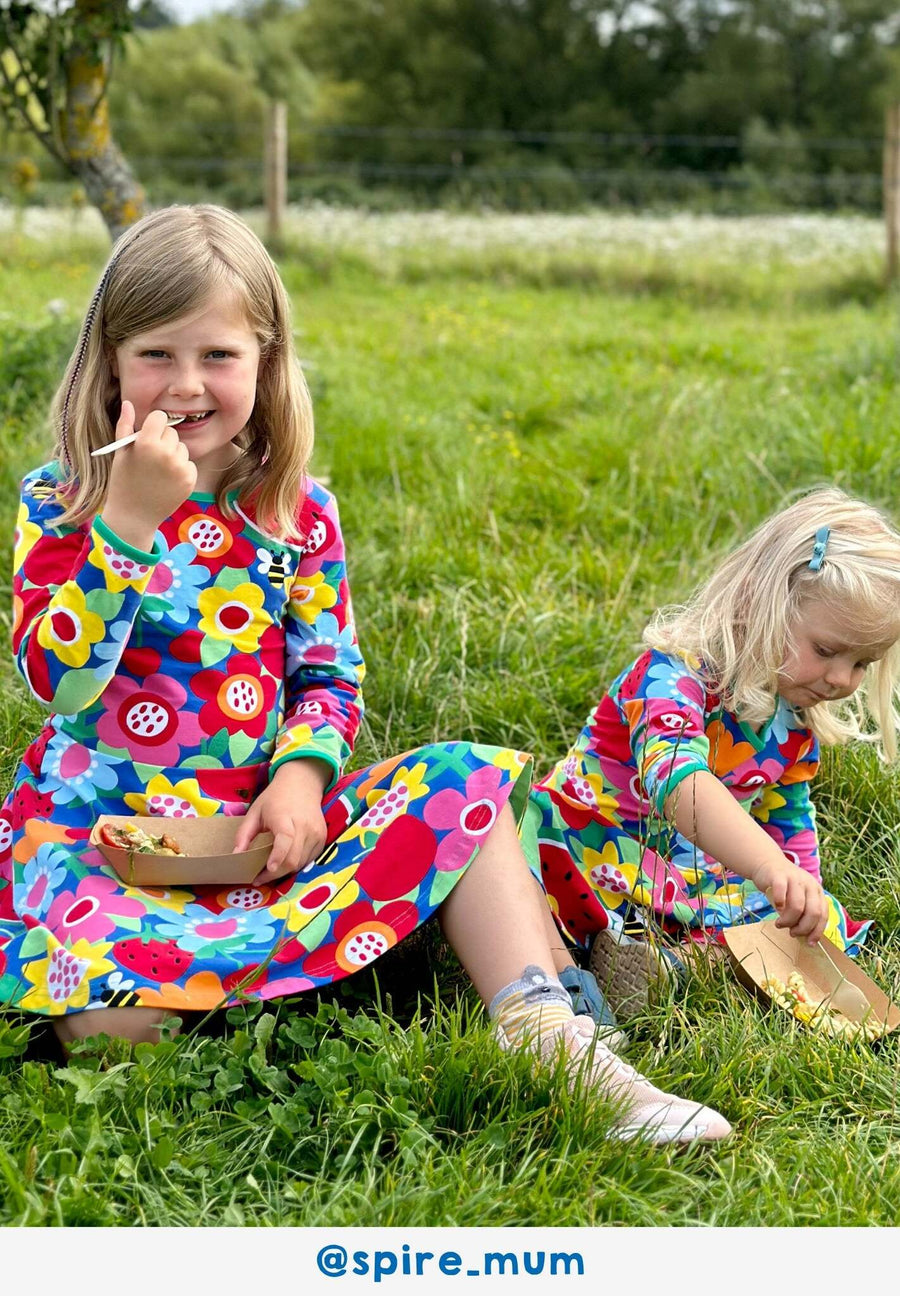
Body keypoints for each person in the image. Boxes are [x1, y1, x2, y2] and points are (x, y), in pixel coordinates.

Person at [0, 205, 729, 1144]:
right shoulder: (63, 502)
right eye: (155, 355)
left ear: (265, 366)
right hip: (104, 838)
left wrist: (301, 781)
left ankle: (546, 1028)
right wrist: (129, 527)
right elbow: (56, 682)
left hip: (265, 830)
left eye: (218, 356)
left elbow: (330, 678)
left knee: (463, 784)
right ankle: (245, 971)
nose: (187, 384)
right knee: (115, 1036)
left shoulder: (296, 516)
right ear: (107, 365)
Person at [528, 488, 900, 1015]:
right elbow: (679, 783)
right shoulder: (669, 675)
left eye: (863, 663)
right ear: (759, 603)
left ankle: (672, 969)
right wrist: (771, 868)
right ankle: (660, 956)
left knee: (826, 918)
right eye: (826, 651)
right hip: (591, 849)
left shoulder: (791, 719)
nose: (842, 679)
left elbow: (786, 815)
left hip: (685, 879)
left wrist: (803, 896)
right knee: (534, 878)